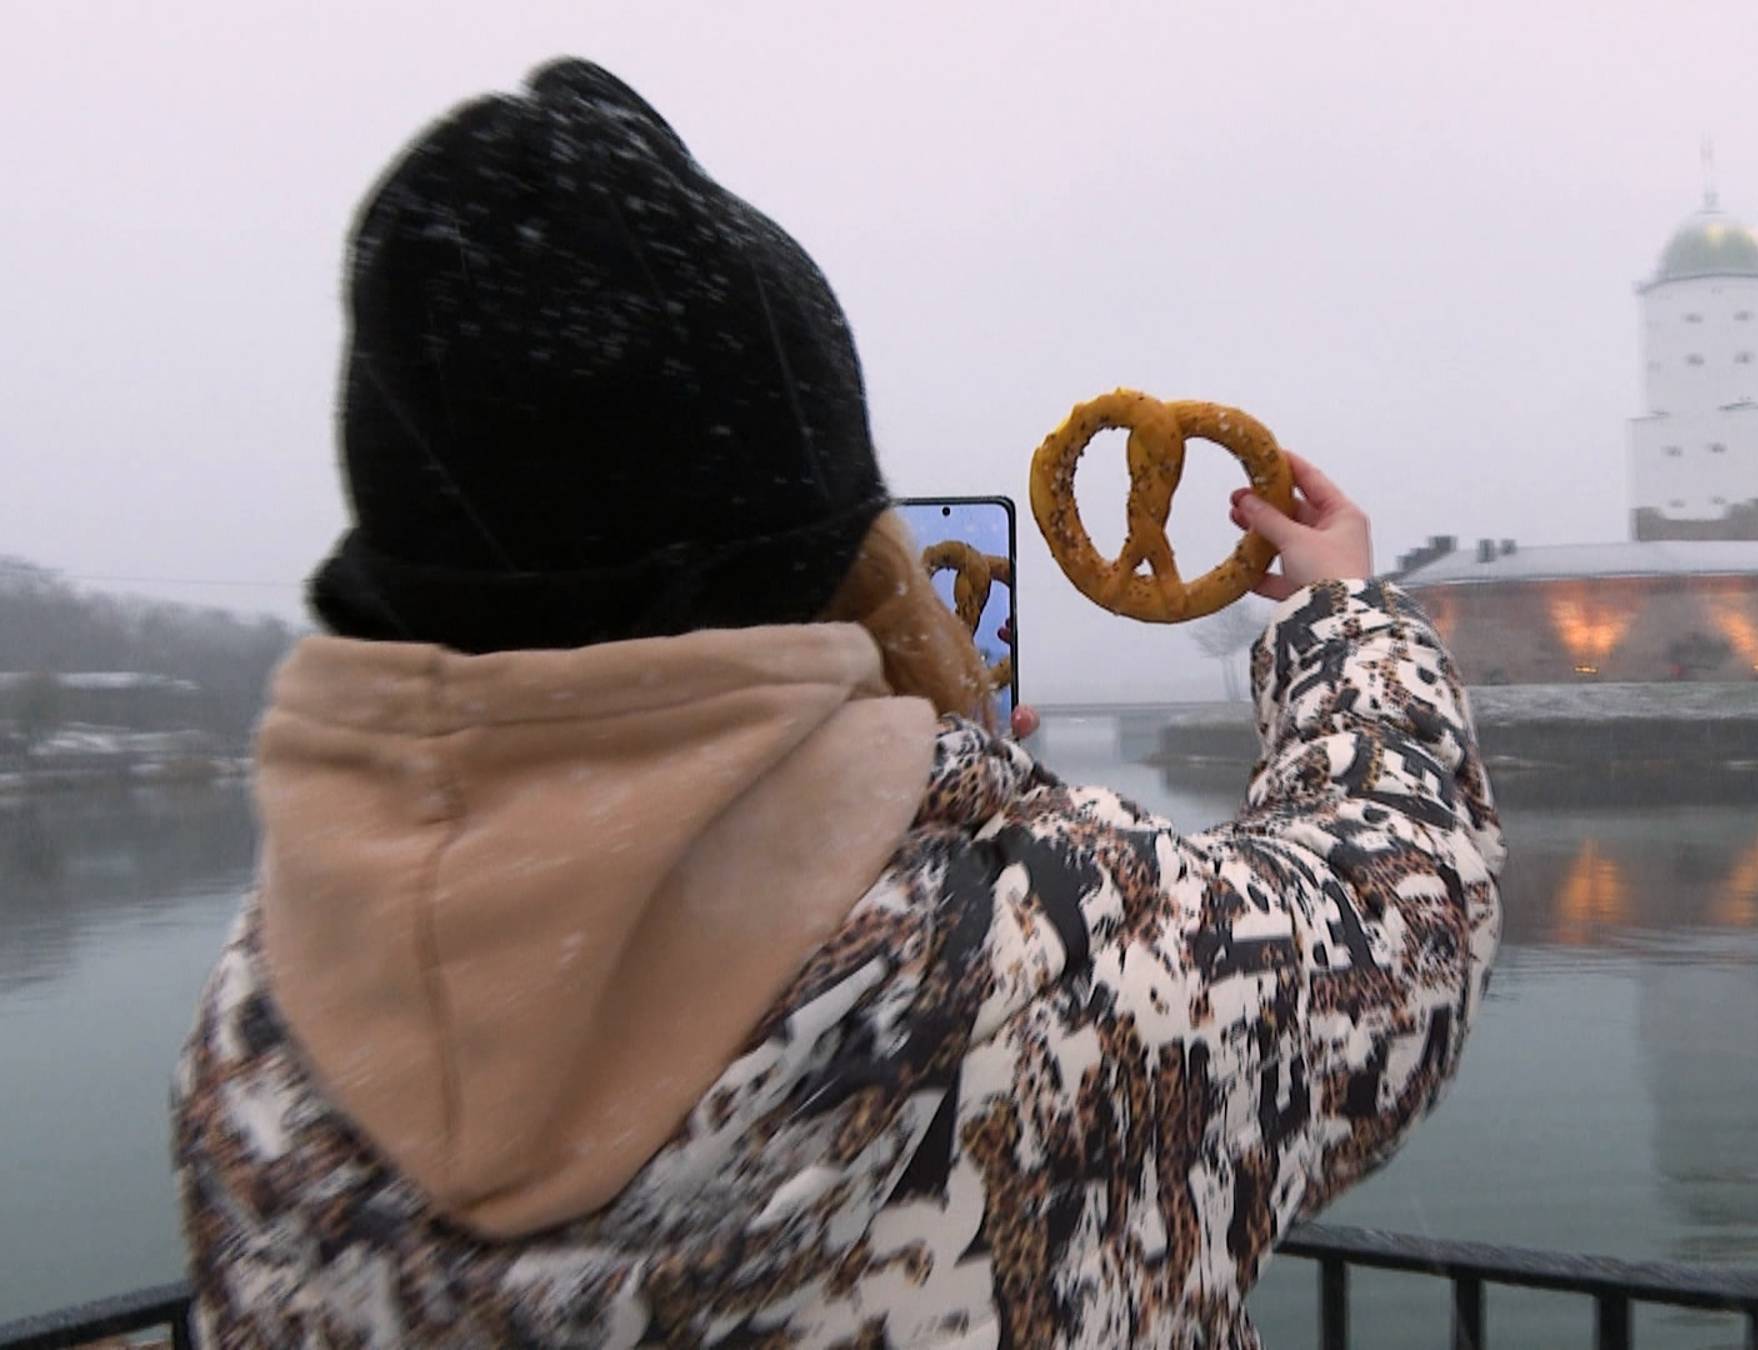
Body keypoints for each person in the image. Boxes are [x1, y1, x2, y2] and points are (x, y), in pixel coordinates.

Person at [171, 58, 1503, 1349]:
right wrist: (1344, 616)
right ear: (824, 553)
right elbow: (1399, 925)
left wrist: (910, 783)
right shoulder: (1041, 950)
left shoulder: (254, 1031)